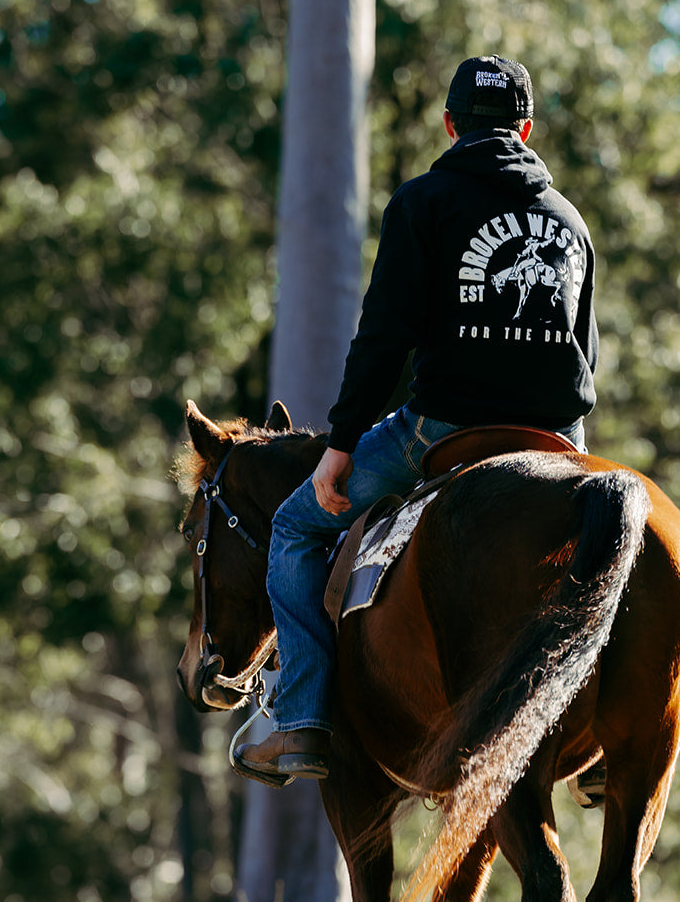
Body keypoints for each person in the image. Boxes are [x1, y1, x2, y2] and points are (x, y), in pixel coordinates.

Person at [233, 55, 600, 786]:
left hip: (444, 427)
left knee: (297, 528)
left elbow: (383, 337)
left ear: (449, 123)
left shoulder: (424, 201)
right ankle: (603, 741)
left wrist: (339, 445)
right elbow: (582, 352)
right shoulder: (569, 221)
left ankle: (300, 716)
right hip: (561, 438)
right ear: (525, 129)